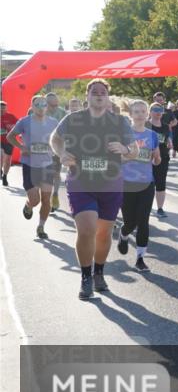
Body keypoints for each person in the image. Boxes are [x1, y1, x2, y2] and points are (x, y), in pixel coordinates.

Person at [50, 79, 137, 300]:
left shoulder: (119, 122)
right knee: (87, 229)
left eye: (102, 92)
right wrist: (61, 154)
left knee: (103, 233)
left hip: (110, 183)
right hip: (81, 182)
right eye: (94, 92)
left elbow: (135, 151)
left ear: (107, 97)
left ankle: (99, 272)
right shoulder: (74, 119)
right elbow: (55, 139)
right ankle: (86, 277)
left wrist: (125, 148)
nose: (98, 95)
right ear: (87, 96)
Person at [117, 100, 161, 272]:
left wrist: (157, 159)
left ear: (147, 114)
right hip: (126, 183)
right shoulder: (123, 135)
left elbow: (156, 158)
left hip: (146, 183)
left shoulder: (152, 135)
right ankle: (124, 233)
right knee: (130, 221)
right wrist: (129, 155)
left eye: (143, 111)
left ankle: (140, 258)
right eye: (137, 111)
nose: (140, 114)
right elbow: (116, 158)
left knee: (143, 221)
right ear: (131, 114)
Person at [6, 96, 58, 238]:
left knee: (46, 199)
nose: (41, 107)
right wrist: (21, 147)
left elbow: (61, 139)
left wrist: (58, 150)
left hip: (47, 165)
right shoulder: (24, 121)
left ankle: (41, 227)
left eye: (43, 104)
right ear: (32, 106)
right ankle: (29, 205)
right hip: (30, 165)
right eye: (37, 104)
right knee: (35, 200)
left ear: (47, 107)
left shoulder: (54, 122)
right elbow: (10, 136)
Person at [147, 103, 173, 218]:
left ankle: (160, 208)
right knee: (148, 184)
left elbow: (167, 138)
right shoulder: (145, 125)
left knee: (161, 182)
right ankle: (146, 206)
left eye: (160, 110)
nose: (158, 112)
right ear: (150, 111)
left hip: (162, 157)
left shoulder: (166, 126)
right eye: (155, 110)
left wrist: (170, 142)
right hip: (146, 158)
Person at [44, 93, 68, 209]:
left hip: (57, 147)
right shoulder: (37, 111)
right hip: (42, 149)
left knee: (56, 173)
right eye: (51, 105)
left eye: (56, 105)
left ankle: (55, 194)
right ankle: (46, 196)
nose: (54, 107)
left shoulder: (63, 113)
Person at [0, 101, 17, 187]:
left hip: (9, 141)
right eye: (0, 108)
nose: (2, 110)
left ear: (6, 109)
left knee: (7, 160)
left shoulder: (11, 117)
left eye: (3, 108)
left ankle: (5, 176)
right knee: (1, 155)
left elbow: (19, 127)